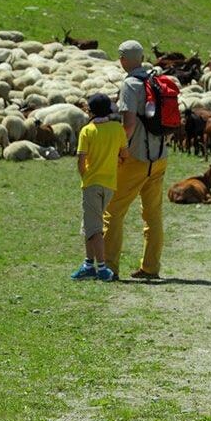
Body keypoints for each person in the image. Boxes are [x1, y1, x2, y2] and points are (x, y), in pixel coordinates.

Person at [102, 40, 168, 280]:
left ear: (123, 58)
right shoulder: (156, 79)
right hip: (159, 156)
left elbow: (128, 124)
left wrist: (120, 149)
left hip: (137, 157)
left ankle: (109, 267)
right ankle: (150, 267)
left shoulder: (130, 84)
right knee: (152, 214)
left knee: (113, 210)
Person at [71, 94, 125, 282]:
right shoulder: (118, 128)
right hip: (110, 183)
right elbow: (124, 154)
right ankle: (88, 264)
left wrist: (85, 175)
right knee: (89, 224)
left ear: (90, 111)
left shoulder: (87, 131)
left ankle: (102, 268)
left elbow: (81, 159)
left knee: (94, 228)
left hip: (92, 183)